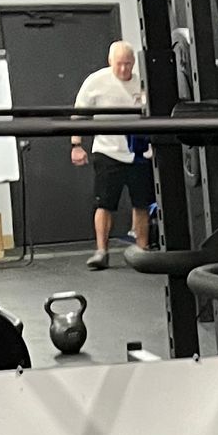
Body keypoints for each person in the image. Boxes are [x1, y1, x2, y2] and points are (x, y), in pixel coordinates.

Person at [70, 41, 153, 268]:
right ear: (110, 62)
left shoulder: (141, 83)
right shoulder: (96, 82)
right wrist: (76, 144)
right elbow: (78, 114)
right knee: (104, 203)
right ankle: (101, 251)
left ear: (134, 63)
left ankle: (143, 250)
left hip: (138, 151)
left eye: (128, 64)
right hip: (107, 151)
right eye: (119, 64)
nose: (124, 69)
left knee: (141, 203)